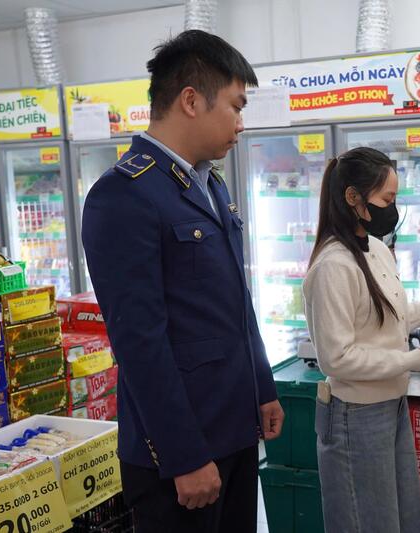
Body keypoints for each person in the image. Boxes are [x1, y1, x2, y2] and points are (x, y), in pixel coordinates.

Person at [82, 30, 283, 533]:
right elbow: (139, 343)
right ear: (191, 100)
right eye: (236, 107)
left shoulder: (209, 184)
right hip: (180, 453)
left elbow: (236, 302)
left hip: (233, 426)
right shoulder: (124, 195)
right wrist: (183, 456)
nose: (241, 124)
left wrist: (262, 387)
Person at [303, 147, 420, 532]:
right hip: (355, 416)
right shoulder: (332, 265)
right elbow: (337, 358)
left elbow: (392, 319)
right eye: (387, 199)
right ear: (353, 197)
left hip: (392, 405)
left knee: (402, 518)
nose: (394, 208)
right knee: (369, 522)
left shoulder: (375, 251)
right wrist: (415, 359)